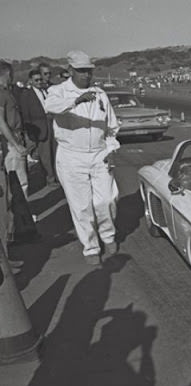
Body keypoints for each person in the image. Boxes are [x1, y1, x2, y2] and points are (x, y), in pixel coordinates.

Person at [45, 51, 120, 265]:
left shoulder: (100, 94)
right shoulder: (58, 91)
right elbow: (50, 107)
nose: (86, 76)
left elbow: (111, 127)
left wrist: (111, 148)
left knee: (106, 200)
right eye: (81, 72)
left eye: (89, 71)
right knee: (81, 206)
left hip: (99, 154)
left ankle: (108, 235)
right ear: (70, 71)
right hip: (71, 156)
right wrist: (76, 100)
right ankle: (91, 247)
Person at [0, 61, 30, 248]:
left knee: (17, 186)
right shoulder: (1, 93)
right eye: (10, 75)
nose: (11, 78)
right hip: (11, 145)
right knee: (18, 186)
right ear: (5, 74)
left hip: (15, 140)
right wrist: (16, 145)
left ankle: (16, 228)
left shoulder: (6, 92)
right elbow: (1, 123)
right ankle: (16, 230)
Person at [19, 69, 56, 185]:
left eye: (41, 79)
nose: (39, 82)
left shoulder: (45, 91)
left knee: (53, 152)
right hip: (39, 129)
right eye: (36, 80)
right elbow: (25, 115)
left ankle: (54, 176)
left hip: (50, 125)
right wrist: (31, 133)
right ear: (30, 81)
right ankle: (49, 178)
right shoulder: (27, 95)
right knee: (45, 156)